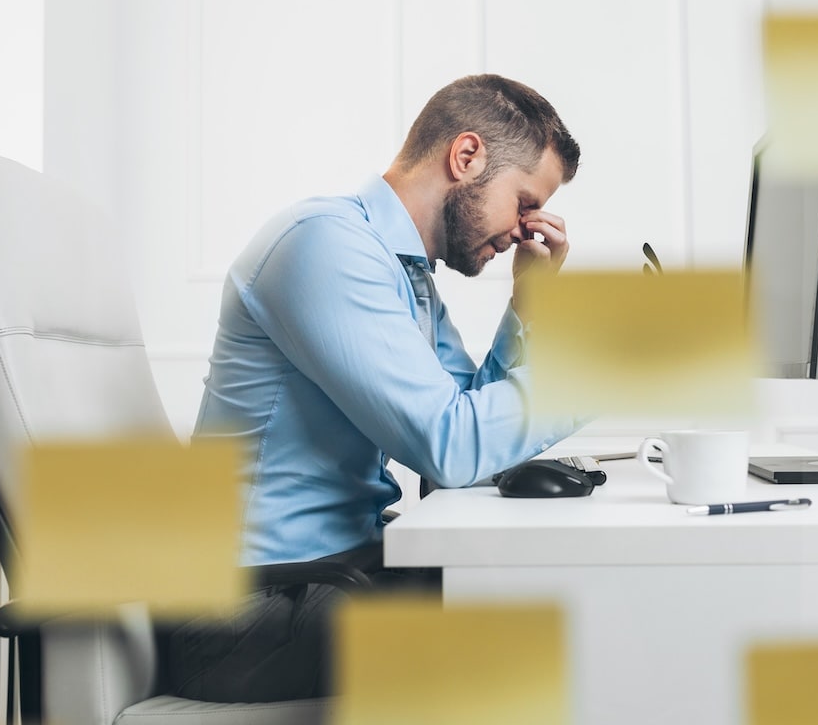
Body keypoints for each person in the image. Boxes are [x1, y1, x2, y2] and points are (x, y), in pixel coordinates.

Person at [160, 74, 585, 702]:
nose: (526, 229)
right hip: (242, 616)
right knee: (541, 629)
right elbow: (453, 446)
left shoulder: (405, 276)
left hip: (330, 577)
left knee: (550, 590)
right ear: (467, 156)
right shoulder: (324, 244)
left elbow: (460, 448)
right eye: (524, 203)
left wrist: (527, 304)